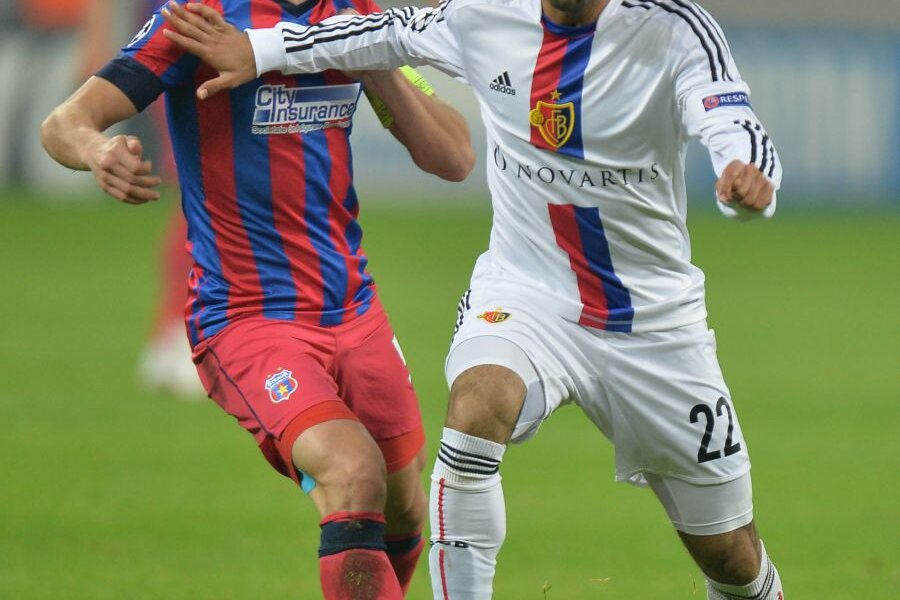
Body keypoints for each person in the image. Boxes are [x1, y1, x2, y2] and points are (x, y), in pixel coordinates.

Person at [160, 0, 786, 598]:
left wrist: (745, 171)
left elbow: (731, 119)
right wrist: (261, 48)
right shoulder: (485, 16)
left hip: (654, 327)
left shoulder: (674, 29)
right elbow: (377, 33)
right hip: (526, 295)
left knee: (730, 555)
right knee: (477, 405)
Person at [39, 0, 476, 597]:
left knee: (404, 505)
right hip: (248, 318)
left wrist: (371, 58)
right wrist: (97, 150)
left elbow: (455, 157)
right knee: (353, 472)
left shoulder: (354, 14)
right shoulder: (201, 20)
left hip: (354, 309)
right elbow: (64, 121)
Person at [81, 0, 204, 399]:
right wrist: (96, 40)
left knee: (198, 199)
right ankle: (181, 337)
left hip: (217, 40)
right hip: (175, 42)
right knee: (201, 197)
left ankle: (169, 338)